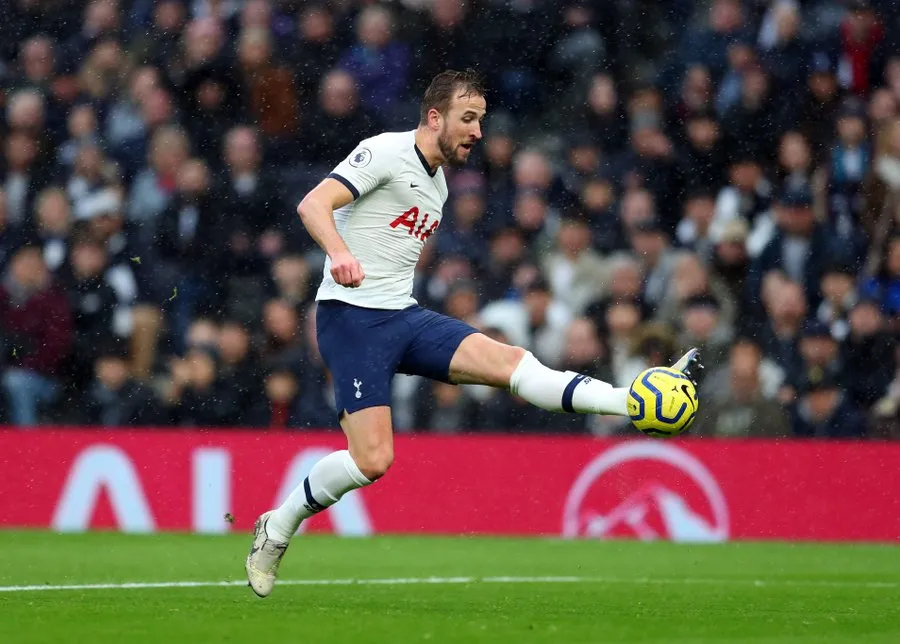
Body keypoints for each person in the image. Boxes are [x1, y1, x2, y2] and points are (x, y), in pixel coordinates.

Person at [245, 69, 703, 597]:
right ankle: (277, 525)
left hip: (402, 314)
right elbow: (312, 204)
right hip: (351, 318)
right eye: (469, 119)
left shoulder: (437, 184)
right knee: (373, 460)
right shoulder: (384, 152)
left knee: (515, 364)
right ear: (435, 117)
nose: (478, 132)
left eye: (481, 121)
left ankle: (635, 401)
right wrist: (340, 253)